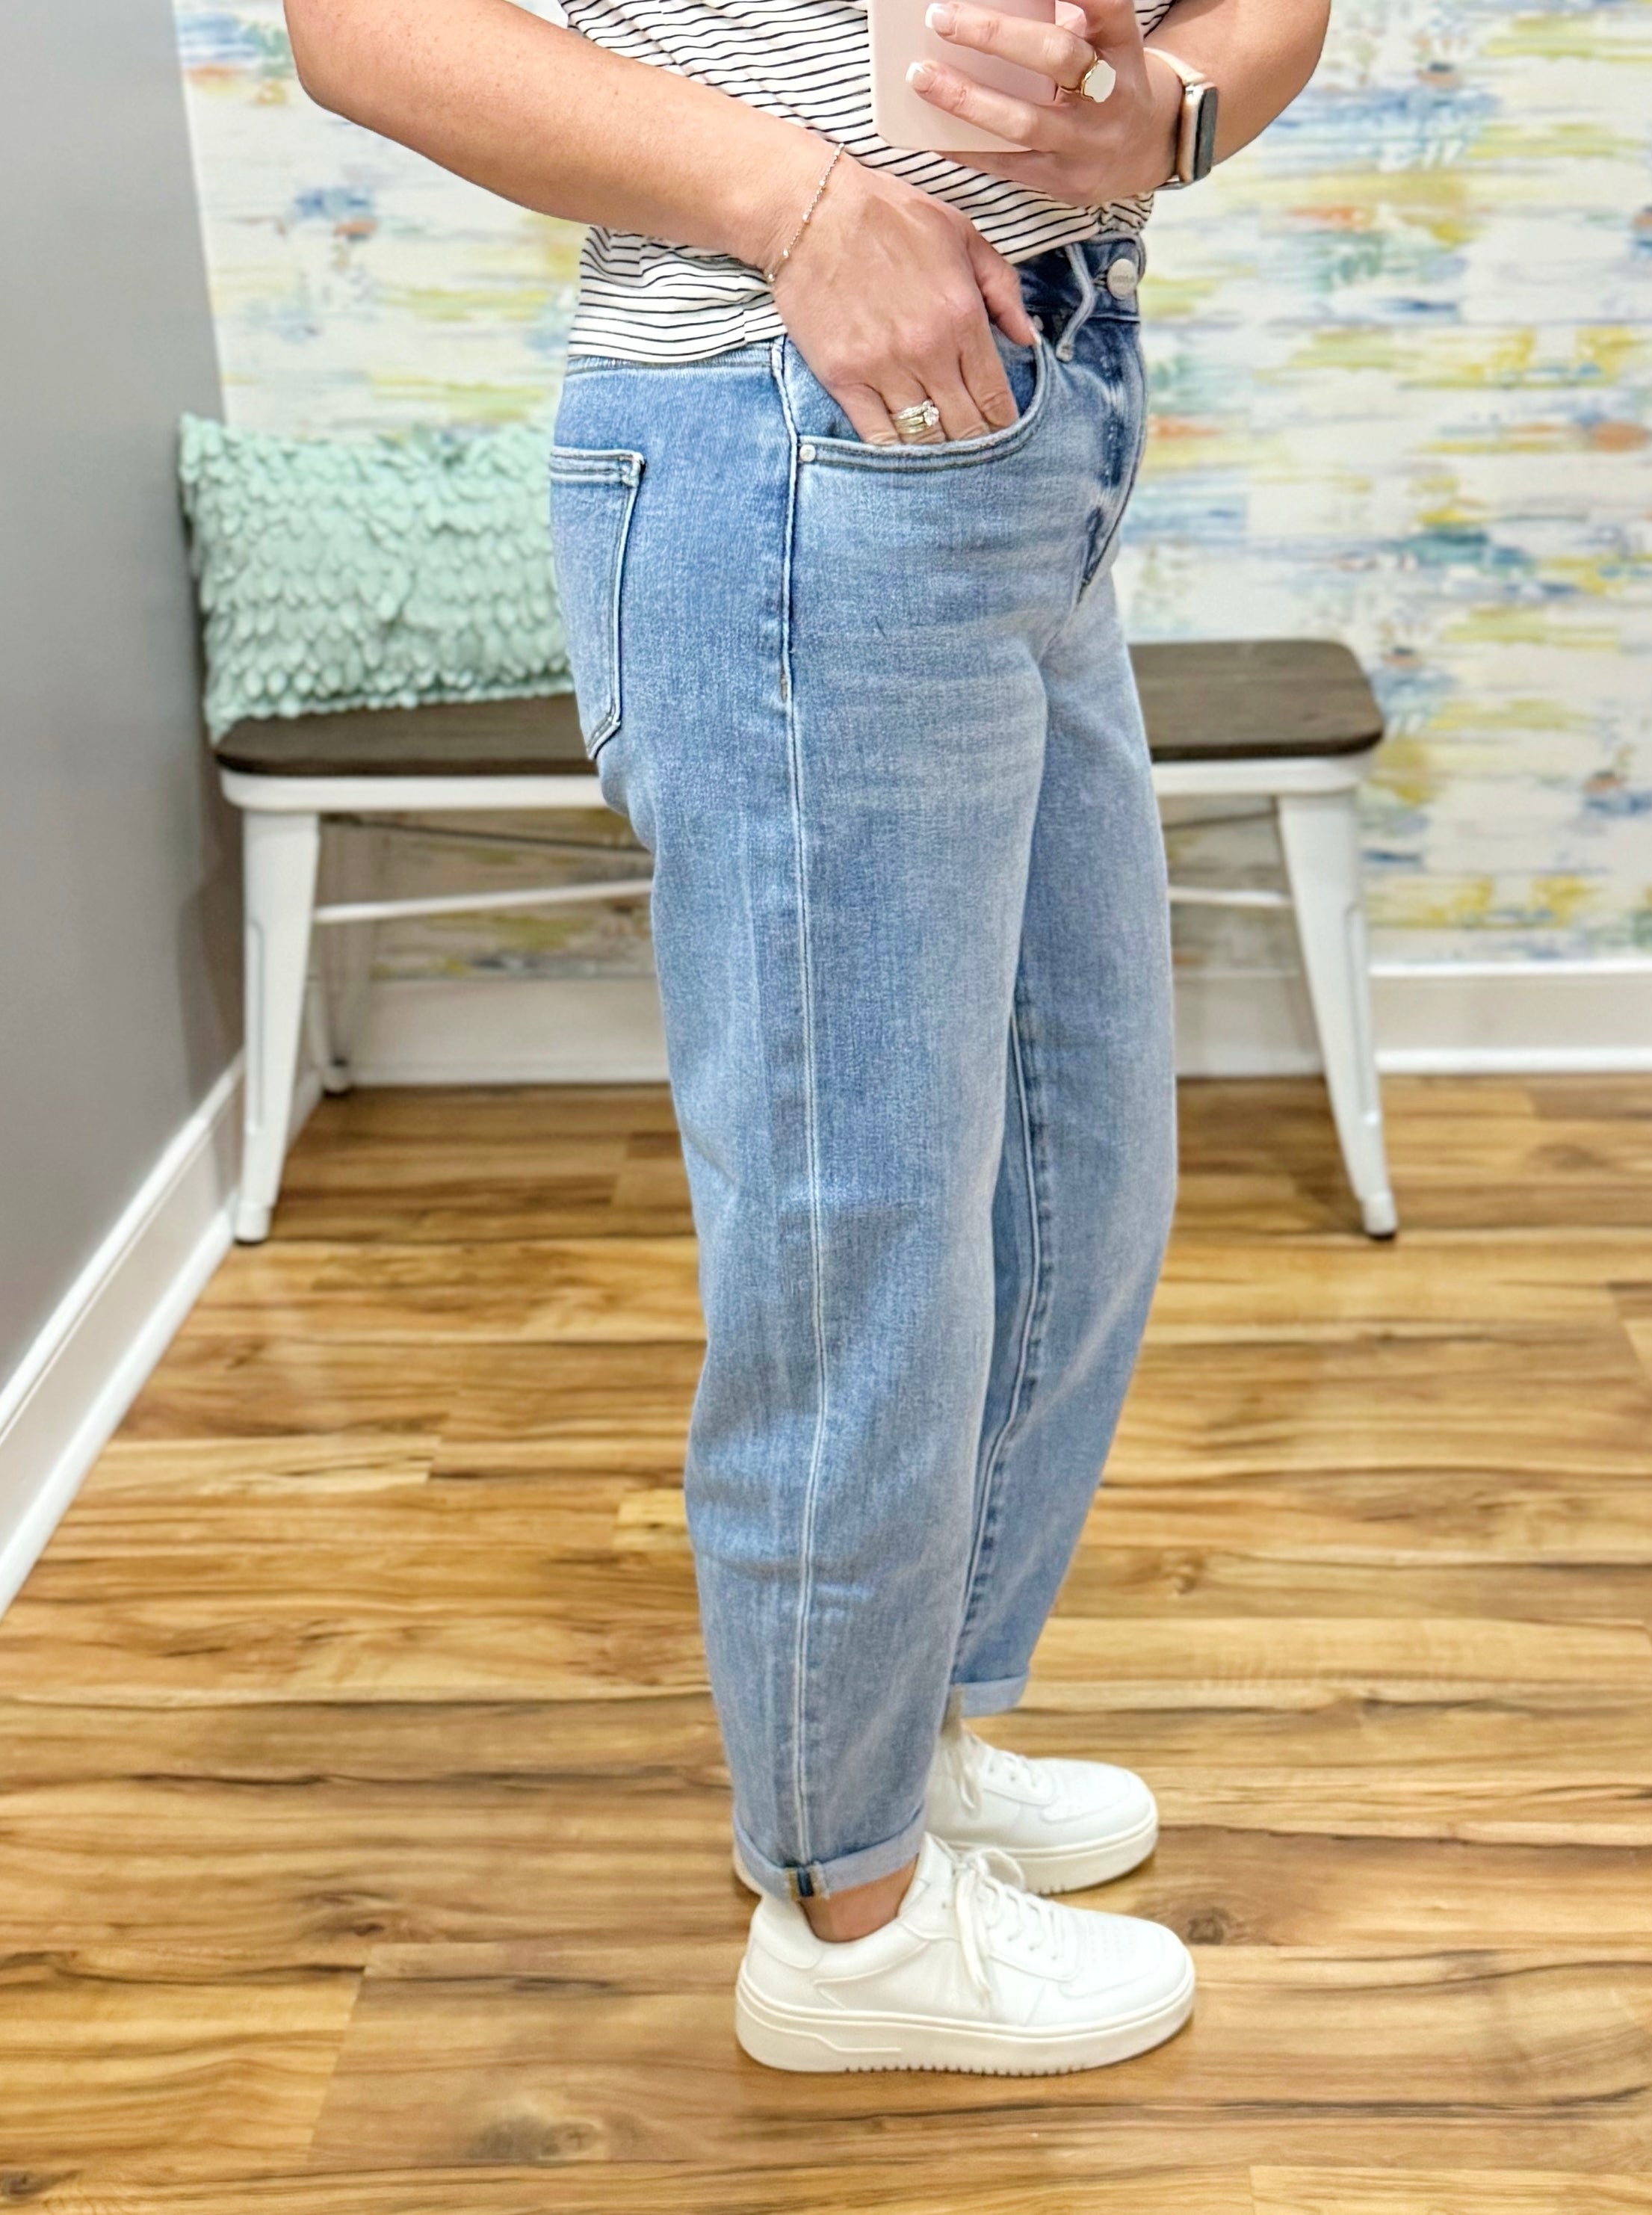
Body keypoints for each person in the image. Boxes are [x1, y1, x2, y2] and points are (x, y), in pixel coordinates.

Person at [287, 0, 1327, 2076]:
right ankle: (847, 1911)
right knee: (862, 1234)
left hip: (1039, 423)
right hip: (790, 427)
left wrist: (1176, 116)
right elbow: (359, 28)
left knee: (1073, 1156)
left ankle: (905, 1730)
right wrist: (800, 205)